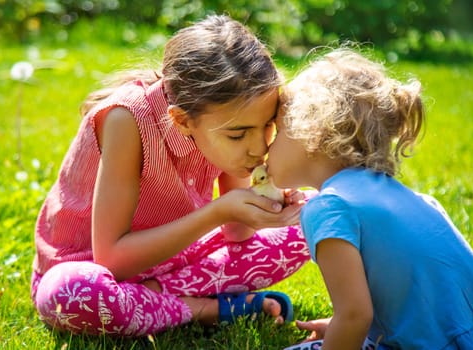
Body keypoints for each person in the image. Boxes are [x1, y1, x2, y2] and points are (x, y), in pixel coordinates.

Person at [31, 14, 311, 337]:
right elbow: (111, 260)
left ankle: (154, 301)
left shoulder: (223, 127)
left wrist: (271, 204)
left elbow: (237, 234)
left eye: (266, 125)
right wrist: (218, 212)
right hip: (91, 271)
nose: (258, 147)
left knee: (310, 215)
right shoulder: (127, 121)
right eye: (238, 135)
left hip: (173, 260)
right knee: (72, 293)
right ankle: (203, 309)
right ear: (181, 121)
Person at [267, 48, 473, 349]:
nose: (265, 146)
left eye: (277, 131)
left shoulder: (329, 206)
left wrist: (346, 330)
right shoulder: (414, 199)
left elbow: (354, 315)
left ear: (311, 134)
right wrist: (342, 328)